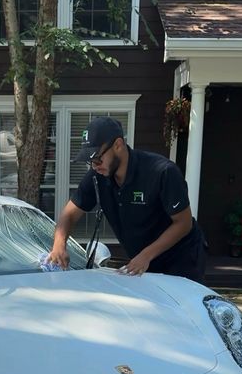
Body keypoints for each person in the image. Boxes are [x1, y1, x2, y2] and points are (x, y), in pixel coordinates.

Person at [48, 116, 206, 281]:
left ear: (118, 145)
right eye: (90, 161)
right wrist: (59, 245)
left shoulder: (162, 172)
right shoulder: (97, 176)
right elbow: (69, 214)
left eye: (97, 158)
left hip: (181, 257)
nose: (94, 166)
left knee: (179, 304)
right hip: (141, 260)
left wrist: (145, 256)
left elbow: (184, 223)